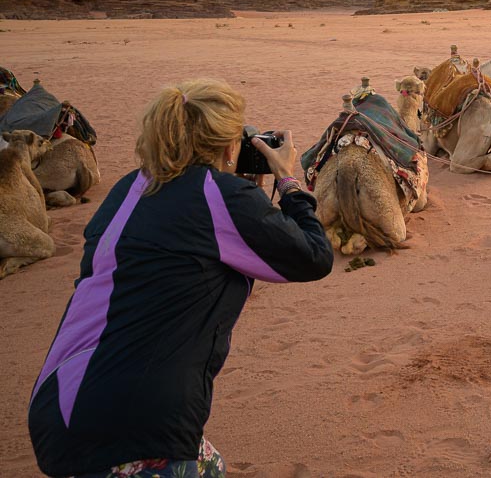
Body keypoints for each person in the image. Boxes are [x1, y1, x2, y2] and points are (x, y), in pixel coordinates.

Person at [28, 79, 334, 478]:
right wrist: (286, 179)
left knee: (211, 467)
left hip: (60, 405)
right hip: (136, 421)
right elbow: (314, 256)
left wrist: (241, 191)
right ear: (229, 147)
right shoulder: (219, 196)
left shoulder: (131, 187)